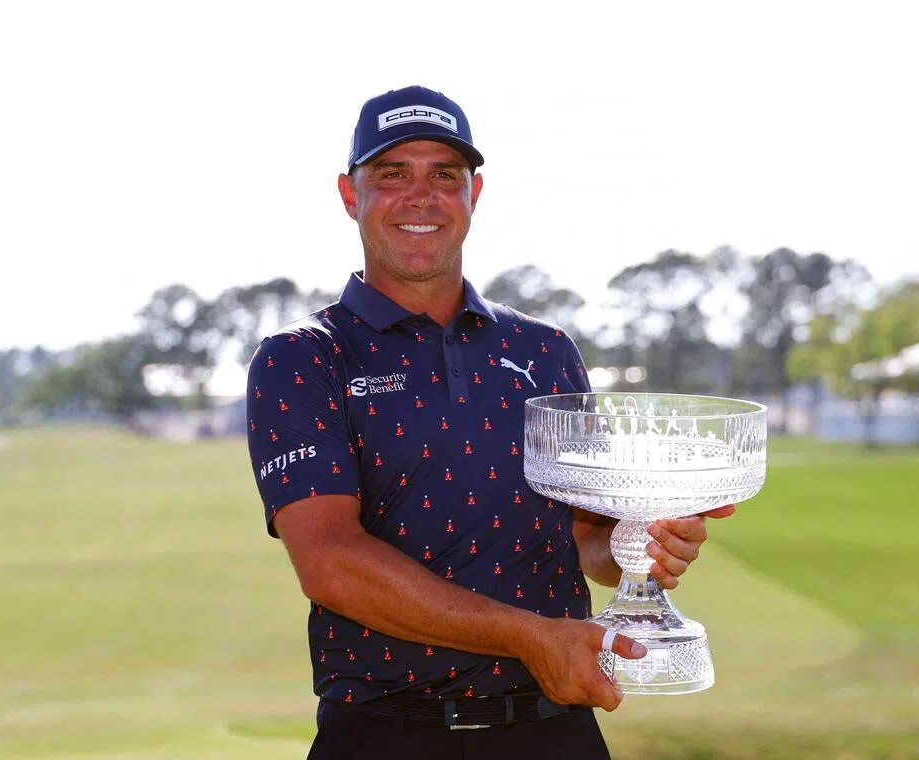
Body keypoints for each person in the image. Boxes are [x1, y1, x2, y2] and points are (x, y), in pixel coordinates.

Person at [245, 85, 736, 759]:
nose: (421, 195)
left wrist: (638, 543)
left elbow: (584, 539)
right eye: (392, 174)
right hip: (386, 735)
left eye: (444, 175)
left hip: (553, 730)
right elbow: (331, 564)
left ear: (474, 193)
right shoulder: (303, 358)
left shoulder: (544, 350)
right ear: (349, 194)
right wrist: (532, 637)